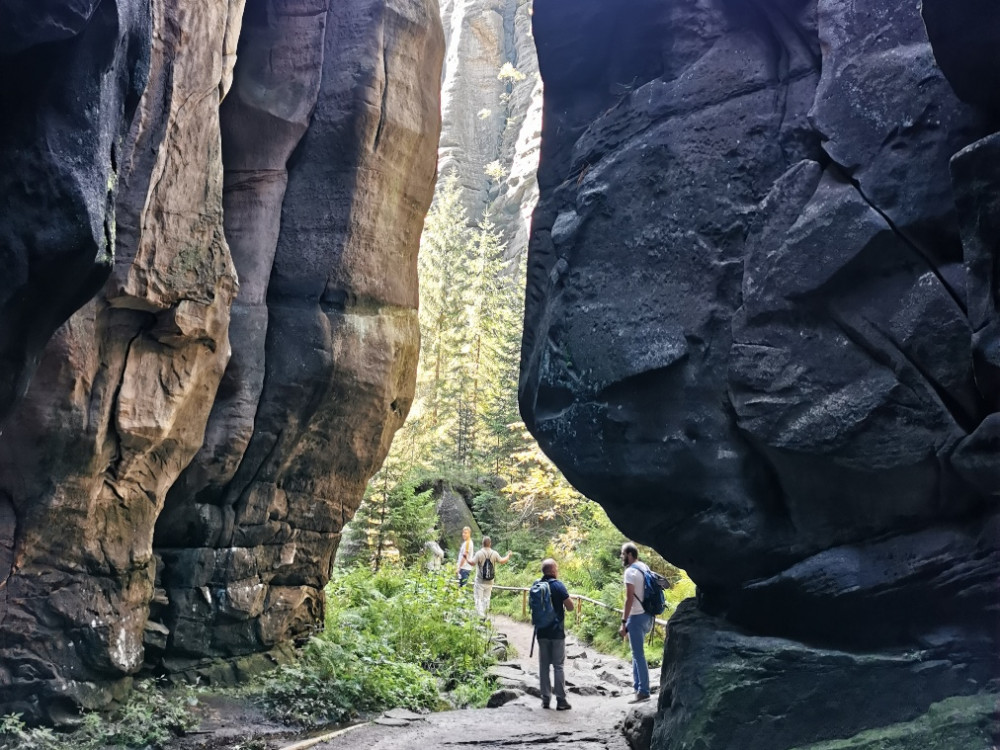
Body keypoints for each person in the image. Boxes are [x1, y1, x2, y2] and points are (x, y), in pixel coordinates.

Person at [536, 558, 574, 710]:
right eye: (556, 568)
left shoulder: (537, 586)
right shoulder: (558, 586)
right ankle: (561, 700)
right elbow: (570, 607)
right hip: (557, 633)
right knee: (558, 666)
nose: (557, 571)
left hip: (541, 632)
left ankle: (545, 699)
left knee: (544, 666)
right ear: (552, 571)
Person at [619, 542, 653, 703]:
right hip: (648, 616)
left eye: (623, 554)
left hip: (636, 617)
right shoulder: (644, 567)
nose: (622, 557)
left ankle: (644, 691)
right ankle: (637, 687)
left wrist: (624, 622)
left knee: (638, 655)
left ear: (630, 554)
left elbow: (629, 599)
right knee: (636, 653)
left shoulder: (630, 572)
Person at [470, 536, 511, 617]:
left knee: (478, 599)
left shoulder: (479, 553)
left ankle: (480, 617)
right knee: (486, 598)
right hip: (490, 582)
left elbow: (472, 563)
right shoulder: (494, 553)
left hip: (480, 581)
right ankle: (485, 615)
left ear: (482, 544)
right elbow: (502, 561)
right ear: (490, 544)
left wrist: (466, 558)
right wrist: (508, 555)